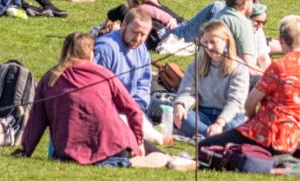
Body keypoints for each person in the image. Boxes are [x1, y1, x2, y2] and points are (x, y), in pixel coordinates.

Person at [15, 32, 189, 168]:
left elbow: (36, 120)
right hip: (113, 147)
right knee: (155, 157)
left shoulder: (49, 78)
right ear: (89, 52)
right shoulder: (103, 74)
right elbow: (133, 110)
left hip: (69, 152)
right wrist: (139, 142)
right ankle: (167, 159)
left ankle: (165, 158)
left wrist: (25, 150)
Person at [196, 15, 300, 169]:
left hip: (263, 136)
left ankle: (259, 163)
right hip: (289, 144)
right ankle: (268, 161)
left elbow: (249, 104)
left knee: (204, 147)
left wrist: (253, 120)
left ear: (281, 40)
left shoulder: (279, 67)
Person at [170, 20, 250, 140]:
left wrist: (220, 123)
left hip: (231, 117)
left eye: (213, 42)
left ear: (226, 42)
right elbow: (188, 92)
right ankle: (216, 138)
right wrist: (180, 106)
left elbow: (235, 102)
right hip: (204, 114)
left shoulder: (239, 68)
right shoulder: (196, 65)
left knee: (236, 126)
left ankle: (211, 136)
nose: (209, 47)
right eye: (205, 42)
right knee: (185, 119)